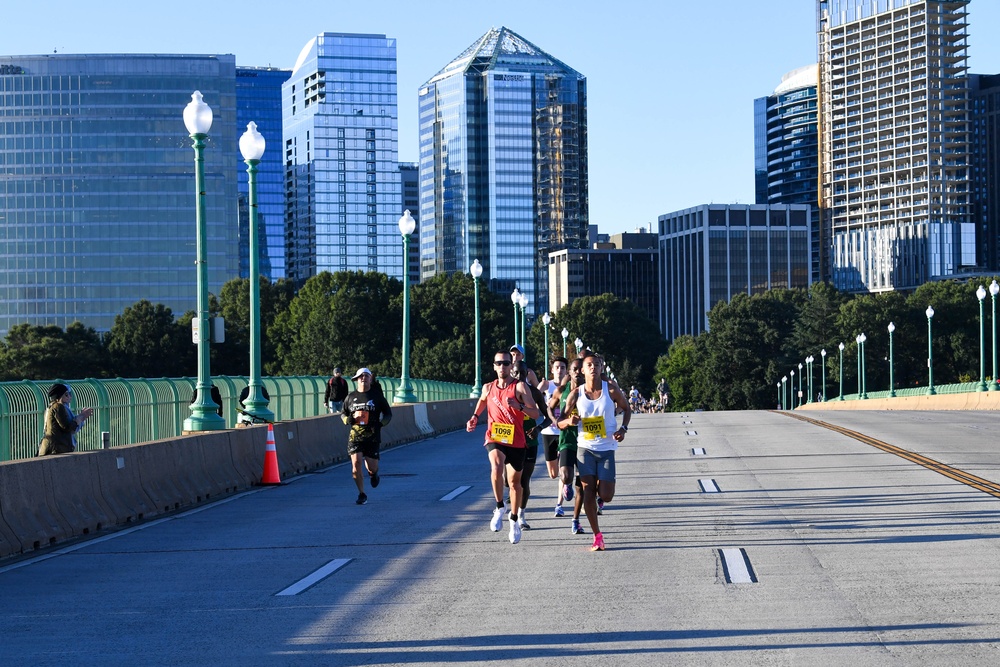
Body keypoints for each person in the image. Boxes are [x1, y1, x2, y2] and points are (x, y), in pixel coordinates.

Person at [466, 349, 541, 544]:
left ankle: (514, 519)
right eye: (498, 363)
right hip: (495, 437)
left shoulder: (520, 388)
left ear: (511, 366)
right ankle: (499, 506)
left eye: (506, 363)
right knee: (496, 467)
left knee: (515, 484)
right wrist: (474, 417)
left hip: (516, 440)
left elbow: (535, 414)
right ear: (493, 366)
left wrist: (520, 408)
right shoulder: (488, 388)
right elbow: (482, 402)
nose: (502, 367)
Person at [563, 352, 631, 551]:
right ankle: (597, 536)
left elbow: (626, 408)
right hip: (585, 449)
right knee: (587, 492)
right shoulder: (575, 394)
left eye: (596, 365)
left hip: (607, 448)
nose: (593, 367)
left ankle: (603, 490)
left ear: (602, 368)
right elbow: (560, 421)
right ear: (582, 370)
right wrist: (569, 421)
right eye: (589, 365)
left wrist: (623, 429)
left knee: (607, 495)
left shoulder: (611, 390)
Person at [511, 360, 551, 530]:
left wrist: (539, 428)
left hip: (529, 441)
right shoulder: (507, 393)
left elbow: (549, 417)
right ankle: (509, 502)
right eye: (516, 373)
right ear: (511, 373)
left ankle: (521, 514)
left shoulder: (534, 393)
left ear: (527, 374)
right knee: (510, 481)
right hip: (511, 442)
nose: (519, 376)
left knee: (525, 480)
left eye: (523, 373)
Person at [342, 368, 392, 505]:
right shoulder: (350, 397)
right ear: (356, 379)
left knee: (372, 466)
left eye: (366, 376)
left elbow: (388, 414)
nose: (363, 378)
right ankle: (361, 493)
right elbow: (343, 413)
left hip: (372, 437)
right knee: (356, 463)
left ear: (371, 379)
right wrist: (348, 420)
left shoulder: (377, 396)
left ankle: (373, 474)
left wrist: (381, 424)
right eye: (360, 376)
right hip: (355, 437)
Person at [554, 357, 587, 534]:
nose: (576, 372)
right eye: (573, 369)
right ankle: (565, 484)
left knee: (581, 484)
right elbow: (555, 415)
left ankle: (575, 521)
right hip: (567, 438)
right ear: (570, 372)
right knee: (566, 476)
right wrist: (565, 421)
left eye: (579, 369)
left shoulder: (592, 391)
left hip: (586, 440)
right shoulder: (563, 391)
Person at [539, 356, 568, 516]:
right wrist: (539, 388)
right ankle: (563, 482)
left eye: (562, 367)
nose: (560, 370)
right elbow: (533, 399)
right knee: (553, 473)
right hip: (548, 431)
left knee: (564, 470)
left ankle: (559, 505)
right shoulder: (547, 385)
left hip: (564, 431)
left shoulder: (569, 386)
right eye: (557, 367)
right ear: (552, 370)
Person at [38, 383, 94, 456]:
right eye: (66, 394)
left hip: (51, 448)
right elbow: (67, 427)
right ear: (60, 396)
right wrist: (78, 419)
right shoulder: (58, 407)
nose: (69, 397)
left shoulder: (51, 407)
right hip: (56, 449)